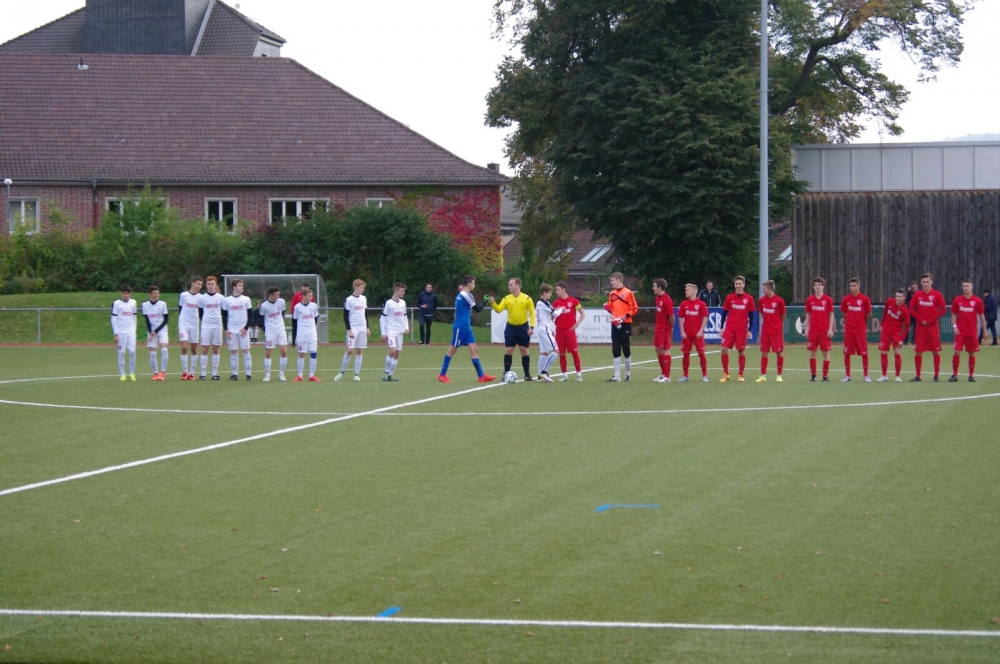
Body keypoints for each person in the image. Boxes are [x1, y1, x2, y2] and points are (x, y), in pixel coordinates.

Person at [438, 275, 496, 383]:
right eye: (473, 283)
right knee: (452, 350)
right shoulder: (464, 295)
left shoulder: (464, 295)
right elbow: (477, 309)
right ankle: (442, 375)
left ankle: (481, 376)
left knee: (474, 350)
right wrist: (485, 301)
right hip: (460, 327)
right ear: (469, 284)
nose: (474, 285)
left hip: (466, 327)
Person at [491, 277, 537, 381]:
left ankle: (527, 374)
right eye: (509, 285)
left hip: (523, 327)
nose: (509, 286)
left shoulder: (527, 299)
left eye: (511, 285)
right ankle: (506, 374)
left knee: (524, 351)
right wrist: (493, 303)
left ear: (517, 286)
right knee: (509, 350)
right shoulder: (506, 298)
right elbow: (498, 310)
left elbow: (532, 313)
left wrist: (531, 327)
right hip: (510, 328)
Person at [909, 272, 947, 382]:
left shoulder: (937, 294)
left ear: (931, 282)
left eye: (927, 282)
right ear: (921, 283)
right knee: (918, 351)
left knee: (935, 351)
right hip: (920, 327)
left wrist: (931, 320)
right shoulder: (917, 295)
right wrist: (921, 320)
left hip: (933, 327)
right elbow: (911, 309)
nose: (926, 284)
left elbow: (943, 310)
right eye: (924, 282)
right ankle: (918, 376)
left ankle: (936, 376)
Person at [719, 275, 756, 382]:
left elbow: (752, 315)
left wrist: (749, 330)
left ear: (743, 285)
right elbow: (724, 313)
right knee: (723, 349)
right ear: (734, 285)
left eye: (740, 284)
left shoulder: (749, 298)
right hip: (730, 328)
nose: (738, 285)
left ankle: (740, 375)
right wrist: (721, 327)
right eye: (736, 284)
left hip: (742, 329)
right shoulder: (729, 298)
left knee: (741, 351)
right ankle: (726, 374)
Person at [949, 278, 986, 382]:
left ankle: (971, 375)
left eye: (967, 286)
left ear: (971, 287)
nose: (965, 288)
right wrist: (954, 326)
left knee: (971, 353)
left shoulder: (977, 301)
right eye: (964, 286)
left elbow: (981, 316)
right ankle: (955, 375)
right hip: (960, 332)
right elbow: (953, 314)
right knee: (956, 352)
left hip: (972, 332)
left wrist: (984, 330)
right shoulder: (957, 300)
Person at [604, 272, 638, 382]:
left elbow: (634, 309)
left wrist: (623, 318)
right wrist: (607, 308)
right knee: (615, 348)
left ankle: (627, 375)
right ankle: (617, 376)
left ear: (619, 280)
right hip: (615, 324)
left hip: (626, 324)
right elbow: (612, 309)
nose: (611, 282)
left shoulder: (628, 293)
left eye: (612, 280)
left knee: (626, 349)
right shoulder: (612, 294)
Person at [335, 279, 370, 382]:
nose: (363, 289)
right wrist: (349, 330)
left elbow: (365, 313)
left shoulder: (363, 298)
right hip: (353, 328)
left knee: (359, 350)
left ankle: (356, 374)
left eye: (363, 287)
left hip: (362, 327)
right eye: (362, 287)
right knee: (350, 350)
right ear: (356, 287)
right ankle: (341, 372)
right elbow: (345, 316)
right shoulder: (349, 300)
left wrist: (367, 327)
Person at [840, 277, 872, 382]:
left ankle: (866, 375)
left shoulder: (865, 299)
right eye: (850, 286)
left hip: (860, 330)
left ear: (859, 286)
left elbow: (868, 314)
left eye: (854, 286)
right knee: (847, 353)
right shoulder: (846, 299)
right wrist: (850, 321)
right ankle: (847, 375)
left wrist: (862, 322)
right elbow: (844, 313)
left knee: (864, 353)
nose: (852, 288)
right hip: (849, 330)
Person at [552, 282, 584, 381]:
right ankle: (564, 375)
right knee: (561, 353)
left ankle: (579, 374)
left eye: (558, 289)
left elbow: (582, 313)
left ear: (564, 289)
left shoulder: (574, 301)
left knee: (574, 352)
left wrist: (577, 323)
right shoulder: (556, 303)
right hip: (559, 331)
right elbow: (551, 317)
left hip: (570, 331)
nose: (556, 291)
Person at [223, 278, 253, 381]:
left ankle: (248, 374)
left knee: (246, 351)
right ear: (234, 287)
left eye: (242, 285)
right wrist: (226, 329)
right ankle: (234, 374)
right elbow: (224, 316)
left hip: (243, 330)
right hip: (232, 330)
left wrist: (246, 328)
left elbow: (250, 315)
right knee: (233, 352)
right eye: (239, 285)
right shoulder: (227, 300)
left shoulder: (246, 299)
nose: (242, 287)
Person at [805, 276, 835, 382]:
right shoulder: (810, 300)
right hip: (813, 331)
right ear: (813, 287)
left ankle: (825, 376)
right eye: (816, 285)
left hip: (824, 331)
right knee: (812, 353)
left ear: (823, 286)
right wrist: (806, 328)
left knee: (825, 353)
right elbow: (808, 314)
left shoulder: (828, 300)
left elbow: (831, 314)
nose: (817, 287)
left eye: (819, 285)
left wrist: (830, 329)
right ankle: (813, 375)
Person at [677, 283, 709, 382]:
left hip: (698, 334)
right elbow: (680, 318)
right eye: (685, 290)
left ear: (694, 291)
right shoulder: (684, 304)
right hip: (687, 334)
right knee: (685, 354)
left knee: (701, 353)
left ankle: (704, 376)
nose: (686, 292)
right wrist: (682, 331)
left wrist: (701, 330)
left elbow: (705, 317)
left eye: (688, 290)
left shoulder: (701, 304)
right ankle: (685, 376)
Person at [756, 280, 786, 383]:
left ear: (770, 289)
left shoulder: (779, 301)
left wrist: (777, 325)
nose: (763, 290)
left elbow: (783, 315)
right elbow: (762, 313)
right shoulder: (762, 300)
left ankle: (779, 375)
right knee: (764, 353)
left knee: (779, 353)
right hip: (765, 331)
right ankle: (763, 376)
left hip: (776, 331)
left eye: (764, 288)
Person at [877, 288, 910, 382]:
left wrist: (902, 339)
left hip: (896, 332)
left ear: (904, 298)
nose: (898, 298)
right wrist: (882, 325)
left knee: (897, 352)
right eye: (897, 296)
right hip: (886, 331)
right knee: (883, 352)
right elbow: (884, 312)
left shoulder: (905, 311)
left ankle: (897, 376)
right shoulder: (889, 301)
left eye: (900, 297)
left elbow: (907, 326)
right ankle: (884, 375)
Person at [379, 282, 409, 381]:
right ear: (396, 291)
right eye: (402, 291)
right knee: (392, 350)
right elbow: (382, 318)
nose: (403, 293)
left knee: (397, 353)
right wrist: (383, 332)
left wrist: (406, 327)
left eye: (404, 291)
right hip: (390, 330)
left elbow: (404, 316)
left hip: (400, 331)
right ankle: (385, 372)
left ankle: (390, 375)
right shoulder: (388, 303)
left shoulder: (403, 303)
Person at [198, 276, 225, 380]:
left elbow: (224, 311)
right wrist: (206, 320)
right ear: (206, 285)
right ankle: (203, 374)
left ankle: (214, 373)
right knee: (205, 347)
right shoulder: (202, 298)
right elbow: (200, 312)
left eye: (212, 284)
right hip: (206, 325)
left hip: (217, 324)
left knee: (216, 347)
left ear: (215, 285)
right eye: (209, 284)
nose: (210, 286)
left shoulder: (221, 298)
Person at [259, 286, 289, 382]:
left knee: (284, 351)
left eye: (278, 294)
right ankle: (267, 375)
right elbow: (261, 319)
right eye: (276, 294)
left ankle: (282, 374)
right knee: (268, 352)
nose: (278, 296)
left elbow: (283, 313)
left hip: (281, 330)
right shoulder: (264, 305)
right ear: (271, 294)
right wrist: (266, 329)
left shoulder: (281, 302)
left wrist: (280, 324)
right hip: (270, 331)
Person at [292, 289, 321, 382]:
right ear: (303, 296)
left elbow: (315, 318)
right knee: (301, 354)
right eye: (309, 296)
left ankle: (311, 375)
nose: (311, 298)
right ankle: (299, 376)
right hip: (302, 334)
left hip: (312, 333)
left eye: (311, 296)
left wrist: (312, 328)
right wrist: (294, 337)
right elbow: (294, 322)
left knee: (314, 353)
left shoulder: (314, 306)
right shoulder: (297, 307)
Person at [177, 277, 203, 380]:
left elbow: (201, 312)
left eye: (201, 284)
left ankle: (192, 372)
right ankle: (185, 372)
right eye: (198, 284)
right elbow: (180, 308)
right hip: (183, 324)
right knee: (184, 347)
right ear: (192, 283)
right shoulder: (183, 295)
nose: (200, 286)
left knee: (194, 348)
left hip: (194, 325)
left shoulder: (201, 298)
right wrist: (182, 320)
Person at [142, 285, 169, 381]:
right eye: (155, 293)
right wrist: (150, 332)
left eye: (158, 293)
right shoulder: (145, 305)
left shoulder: (163, 304)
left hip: (162, 329)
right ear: (150, 294)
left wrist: (156, 331)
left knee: (164, 349)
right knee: (152, 352)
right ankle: (155, 374)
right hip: (151, 331)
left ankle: (163, 373)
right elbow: (147, 320)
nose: (157, 295)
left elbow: (166, 320)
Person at [111, 285, 138, 381]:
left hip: (131, 332)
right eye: (125, 293)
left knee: (132, 352)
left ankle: (132, 373)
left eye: (128, 293)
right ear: (121, 293)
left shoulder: (133, 302)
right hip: (121, 333)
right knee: (121, 352)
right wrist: (116, 333)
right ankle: (122, 374)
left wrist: (134, 329)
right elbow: (113, 319)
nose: (126, 295)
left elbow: (134, 316)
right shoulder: (116, 303)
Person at [534, 284, 558, 382]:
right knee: (556, 350)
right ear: (544, 293)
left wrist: (551, 329)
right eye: (549, 292)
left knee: (544, 352)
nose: (551, 294)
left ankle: (540, 376)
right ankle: (544, 372)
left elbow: (548, 316)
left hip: (542, 328)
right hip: (544, 329)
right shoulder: (542, 303)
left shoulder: (543, 303)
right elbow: (556, 313)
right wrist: (562, 309)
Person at [652, 278, 674, 383]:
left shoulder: (666, 300)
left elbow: (671, 316)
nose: (653, 288)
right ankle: (663, 374)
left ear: (660, 287)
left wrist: (670, 328)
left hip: (664, 329)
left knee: (665, 350)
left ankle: (667, 377)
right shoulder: (657, 297)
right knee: (657, 349)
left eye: (654, 286)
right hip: (658, 327)